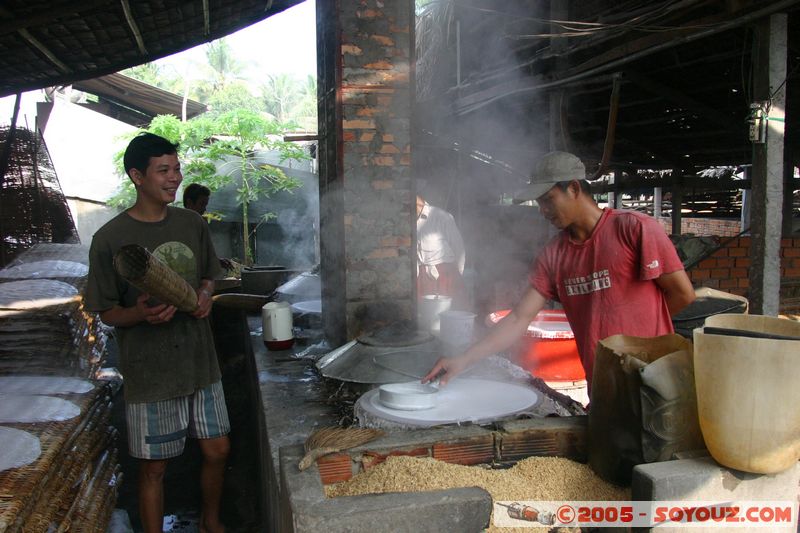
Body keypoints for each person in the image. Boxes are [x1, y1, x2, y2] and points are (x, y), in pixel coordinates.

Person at [423, 151, 696, 392]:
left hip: (654, 383)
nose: (542, 210)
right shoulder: (554, 255)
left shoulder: (634, 229)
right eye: (539, 202)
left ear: (574, 188)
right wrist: (464, 359)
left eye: (548, 199)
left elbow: (683, 295)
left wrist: (638, 338)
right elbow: (519, 317)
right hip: (602, 387)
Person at [85, 133, 229, 533]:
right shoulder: (109, 240)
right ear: (137, 176)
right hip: (152, 371)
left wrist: (203, 294)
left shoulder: (192, 223)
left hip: (200, 361)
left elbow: (208, 276)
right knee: (154, 468)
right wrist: (139, 313)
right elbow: (107, 312)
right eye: (163, 170)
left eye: (177, 169)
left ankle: (210, 523)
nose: (174, 178)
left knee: (218, 450)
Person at [416, 193, 467, 309]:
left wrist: (456, 278)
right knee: (425, 315)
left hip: (446, 274)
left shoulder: (442, 217)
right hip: (422, 277)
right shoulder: (407, 221)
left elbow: (459, 249)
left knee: (452, 312)